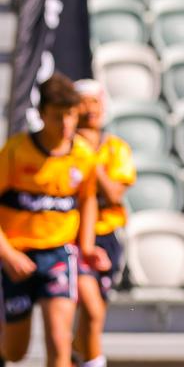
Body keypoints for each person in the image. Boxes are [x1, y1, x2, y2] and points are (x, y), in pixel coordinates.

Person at [0, 72, 109, 367]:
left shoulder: (83, 155)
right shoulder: (14, 153)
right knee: (14, 351)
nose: (66, 125)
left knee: (60, 341)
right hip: (15, 258)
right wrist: (7, 254)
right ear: (41, 114)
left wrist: (86, 247)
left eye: (71, 116)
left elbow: (87, 199)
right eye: (58, 117)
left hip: (58, 254)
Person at [72, 79, 135, 367]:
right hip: (71, 238)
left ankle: (76, 356)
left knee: (93, 316)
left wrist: (90, 158)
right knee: (91, 310)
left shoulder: (114, 149)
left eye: (95, 102)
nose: (90, 110)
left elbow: (113, 194)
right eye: (83, 103)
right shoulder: (64, 150)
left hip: (105, 237)